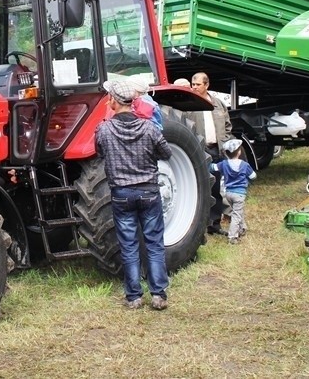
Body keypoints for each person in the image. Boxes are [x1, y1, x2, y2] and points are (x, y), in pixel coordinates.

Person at [96, 77, 172, 311]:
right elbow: (166, 153)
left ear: (114, 102)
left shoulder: (104, 129)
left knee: (128, 245)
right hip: (149, 192)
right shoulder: (149, 128)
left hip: (121, 194)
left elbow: (99, 152)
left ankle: (134, 297)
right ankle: (158, 294)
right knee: (154, 243)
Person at [186, 72, 233, 236]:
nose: (194, 87)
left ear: (206, 85)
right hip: (200, 151)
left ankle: (214, 224)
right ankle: (198, 226)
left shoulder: (218, 104)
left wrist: (225, 141)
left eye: (197, 84)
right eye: (193, 84)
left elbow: (227, 125)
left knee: (215, 188)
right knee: (200, 188)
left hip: (217, 151)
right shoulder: (190, 104)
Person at [211, 139, 256, 244]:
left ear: (226, 153)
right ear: (239, 152)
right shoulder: (244, 165)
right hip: (239, 194)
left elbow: (213, 167)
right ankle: (232, 237)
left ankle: (242, 228)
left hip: (228, 194)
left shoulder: (224, 164)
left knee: (237, 211)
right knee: (236, 214)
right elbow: (253, 176)